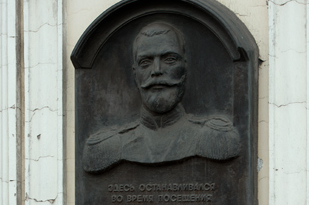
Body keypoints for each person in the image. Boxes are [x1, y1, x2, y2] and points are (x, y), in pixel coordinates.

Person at [83, 21, 241, 172]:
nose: (156, 70)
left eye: (169, 60)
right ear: (134, 73)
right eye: (145, 62)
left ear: (184, 68)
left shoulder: (216, 140)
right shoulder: (107, 149)